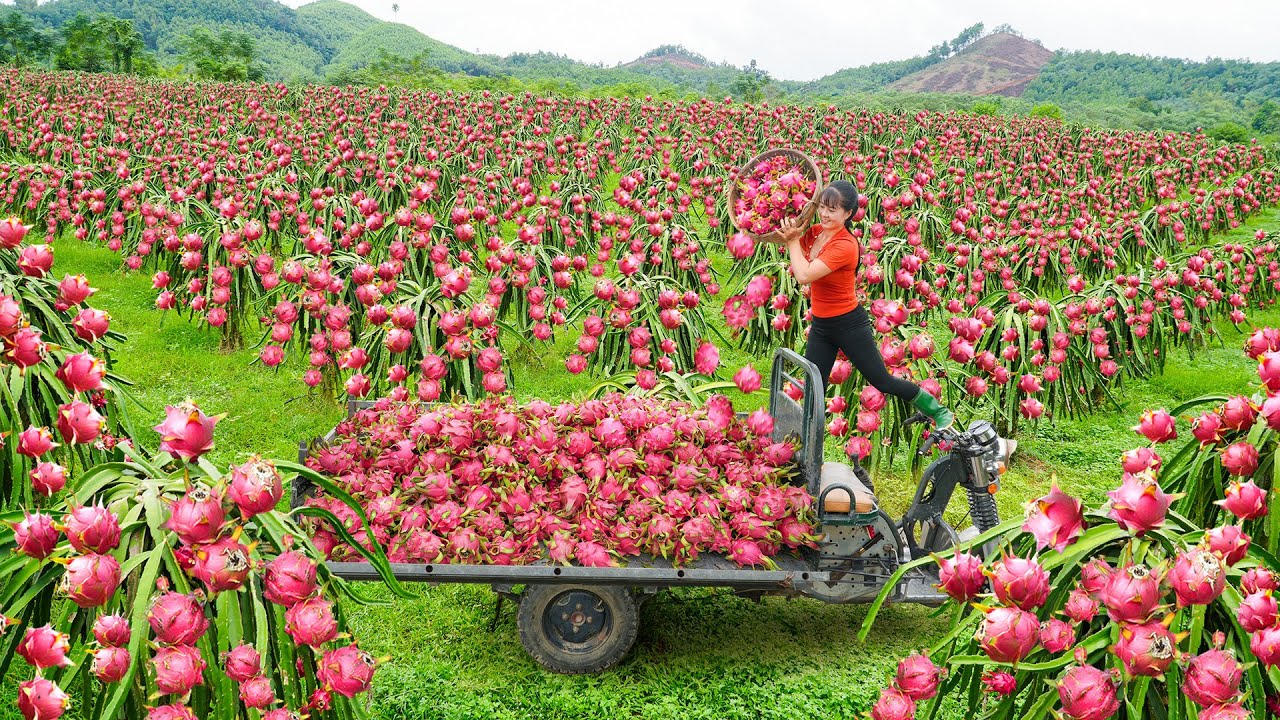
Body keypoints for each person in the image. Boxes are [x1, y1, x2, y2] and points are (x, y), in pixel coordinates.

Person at [776, 179, 954, 431]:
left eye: (833, 209)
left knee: (881, 380)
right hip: (821, 325)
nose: (825, 214)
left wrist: (792, 241)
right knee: (814, 385)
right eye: (823, 207)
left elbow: (804, 275)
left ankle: (938, 411)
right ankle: (808, 444)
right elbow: (783, 240)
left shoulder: (845, 245)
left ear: (848, 213)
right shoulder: (816, 232)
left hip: (848, 324)